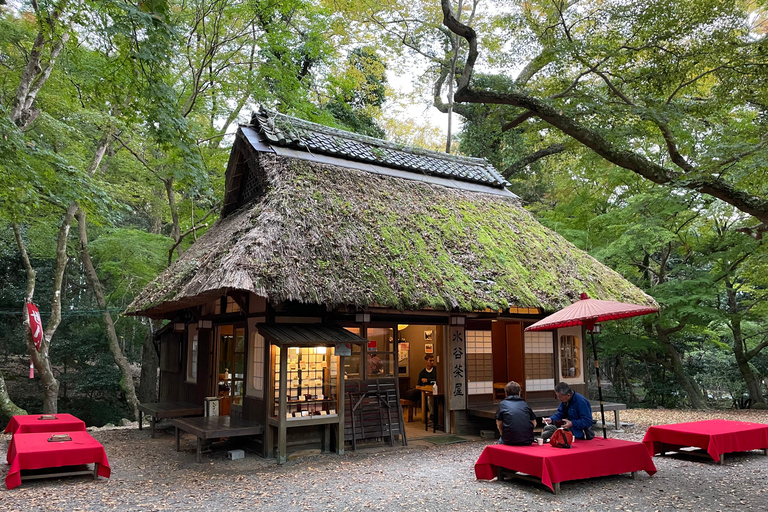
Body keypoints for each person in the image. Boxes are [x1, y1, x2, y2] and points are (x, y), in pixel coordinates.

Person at [495, 381, 536, 445]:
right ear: (519, 393)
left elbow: (499, 423)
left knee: (500, 441)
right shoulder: (525, 404)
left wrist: (502, 433)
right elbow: (534, 423)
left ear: (506, 393)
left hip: (509, 440)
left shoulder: (502, 404)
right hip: (528, 439)